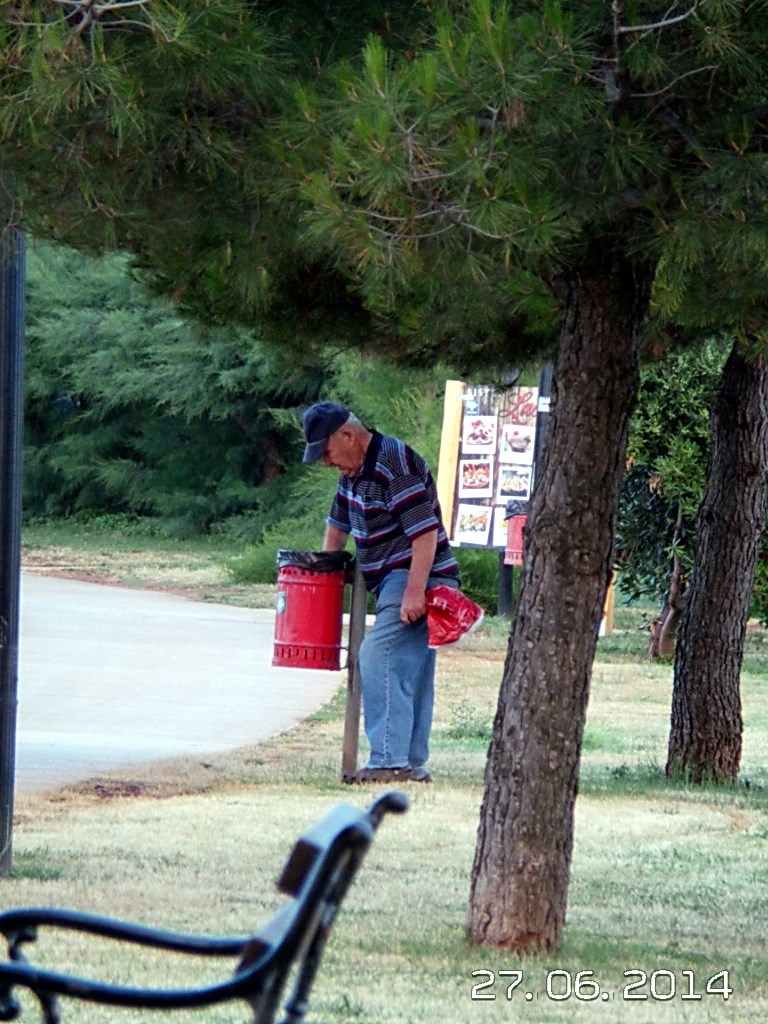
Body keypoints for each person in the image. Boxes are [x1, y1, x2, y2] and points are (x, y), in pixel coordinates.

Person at [302, 400, 459, 783]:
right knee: (411, 671)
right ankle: (412, 763)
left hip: (415, 576)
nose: (326, 462)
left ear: (348, 435)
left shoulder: (394, 463)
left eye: (327, 452)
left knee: (378, 657)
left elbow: (423, 534)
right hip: (396, 579)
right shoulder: (353, 471)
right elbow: (337, 527)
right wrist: (325, 576)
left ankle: (389, 761)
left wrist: (413, 592)